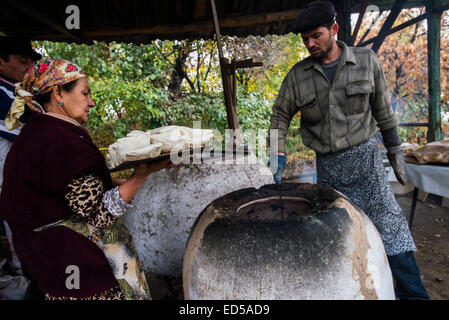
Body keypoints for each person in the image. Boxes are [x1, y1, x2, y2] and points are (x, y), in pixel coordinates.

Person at [269, 1, 429, 300]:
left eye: (316, 35)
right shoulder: (298, 75)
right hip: (329, 170)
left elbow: (383, 110)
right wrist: (277, 157)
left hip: (367, 164)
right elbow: (279, 116)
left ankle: (415, 297)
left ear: (334, 29)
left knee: (393, 235)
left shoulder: (366, 60)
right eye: (305, 39)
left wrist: (395, 150)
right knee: (339, 238)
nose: (310, 43)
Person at [0, 58, 172, 300]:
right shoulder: (60, 142)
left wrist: (109, 186)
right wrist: (140, 177)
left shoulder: (34, 134)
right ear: (58, 92)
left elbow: (62, 192)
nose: (91, 102)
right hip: (75, 266)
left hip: (44, 261)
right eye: (85, 93)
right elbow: (98, 214)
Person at [0, 37, 41, 285]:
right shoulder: (4, 95)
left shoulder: (18, 93)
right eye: (22, 61)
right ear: (1, 64)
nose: (28, 67)